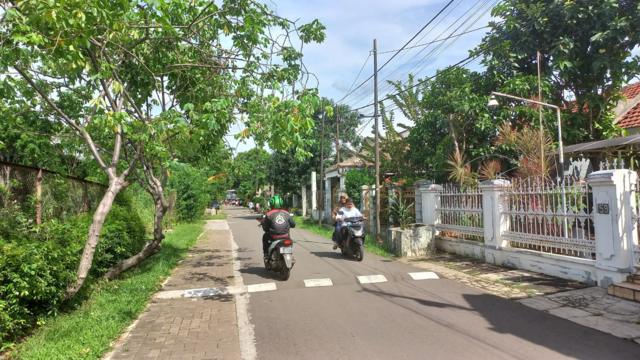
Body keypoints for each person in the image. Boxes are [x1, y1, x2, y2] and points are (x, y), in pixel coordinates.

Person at [260, 195, 295, 261]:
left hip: (274, 236)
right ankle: (290, 254)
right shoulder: (287, 213)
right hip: (285, 236)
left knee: (265, 236)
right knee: (290, 240)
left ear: (271, 204)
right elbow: (293, 225)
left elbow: (266, 229)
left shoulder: (269, 214)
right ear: (281, 203)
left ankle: (266, 255)